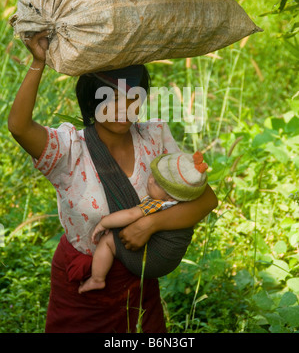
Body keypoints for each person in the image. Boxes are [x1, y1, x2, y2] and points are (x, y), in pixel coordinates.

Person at [8, 31, 218, 333]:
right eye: (112, 99)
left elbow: (207, 199)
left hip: (138, 282)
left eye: (133, 98)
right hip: (83, 290)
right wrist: (38, 62)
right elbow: (19, 126)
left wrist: (151, 224)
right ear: (91, 100)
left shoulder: (154, 137)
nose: (124, 108)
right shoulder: (68, 149)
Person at [78, 150, 209, 293]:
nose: (151, 180)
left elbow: (129, 215)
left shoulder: (156, 204)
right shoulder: (183, 205)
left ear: (171, 198)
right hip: (169, 261)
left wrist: (103, 223)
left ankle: (97, 279)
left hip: (154, 262)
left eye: (158, 184)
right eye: (153, 174)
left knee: (107, 241)